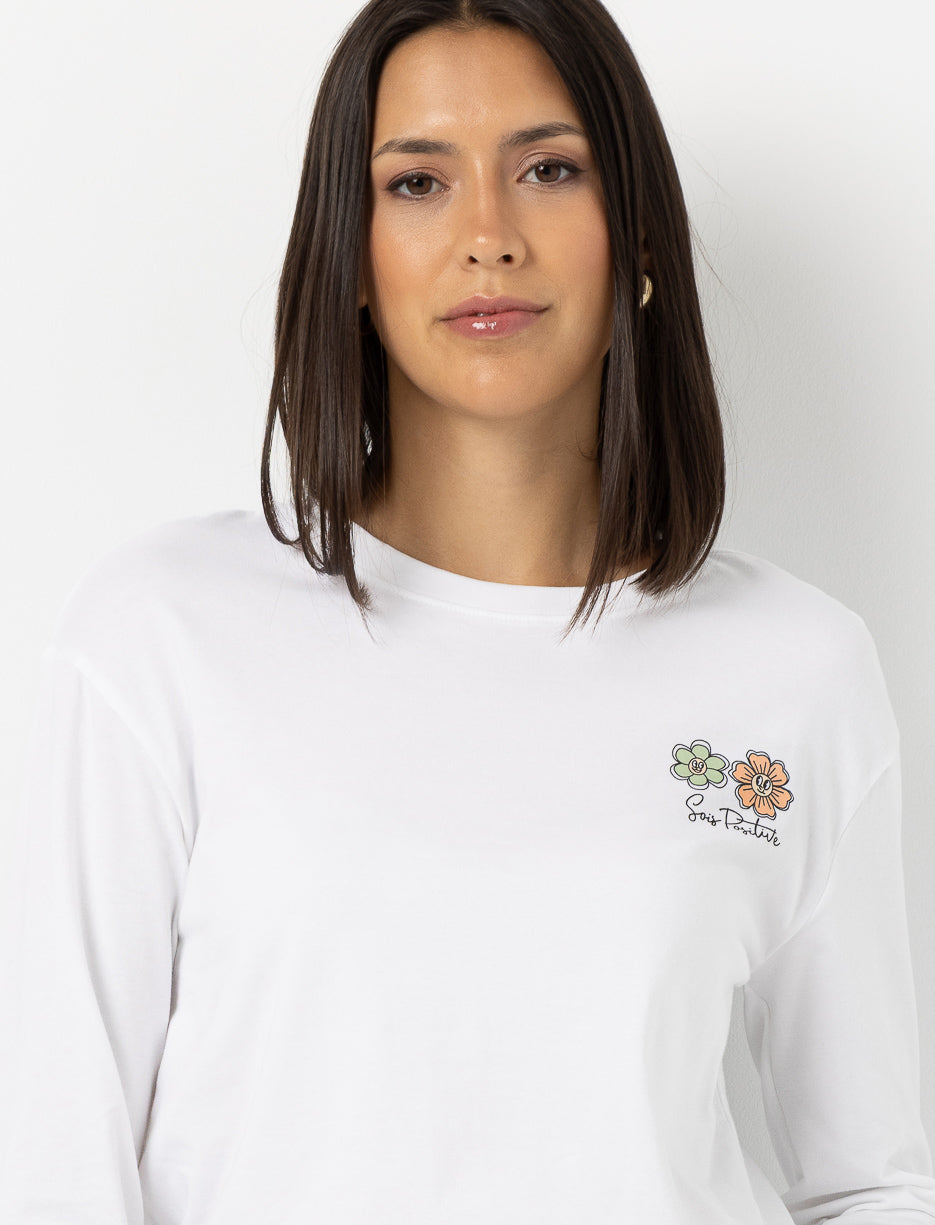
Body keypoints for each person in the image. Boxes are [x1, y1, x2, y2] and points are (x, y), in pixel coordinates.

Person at [1, 0, 933, 1221]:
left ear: (636, 236)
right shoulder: (160, 638)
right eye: (417, 183)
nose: (487, 236)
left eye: (548, 170)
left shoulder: (795, 668)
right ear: (350, 257)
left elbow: (867, 1179)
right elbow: (56, 1164)